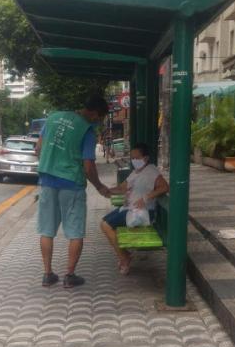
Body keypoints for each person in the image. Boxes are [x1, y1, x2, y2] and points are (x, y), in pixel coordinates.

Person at [36, 94, 111, 288]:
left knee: (46, 230)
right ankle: (69, 276)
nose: (98, 121)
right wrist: (99, 186)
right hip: (72, 184)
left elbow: (38, 148)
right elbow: (88, 167)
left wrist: (51, 160)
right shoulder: (87, 130)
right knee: (75, 231)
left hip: (47, 181)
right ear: (94, 113)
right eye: (100, 117)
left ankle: (47, 274)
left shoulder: (52, 118)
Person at [101, 143, 169, 275]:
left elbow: (165, 187)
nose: (134, 161)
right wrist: (108, 190)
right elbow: (122, 188)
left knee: (105, 225)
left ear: (146, 158)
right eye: (132, 158)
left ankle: (124, 258)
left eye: (137, 158)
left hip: (141, 212)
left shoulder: (151, 171)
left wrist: (146, 197)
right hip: (129, 208)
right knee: (104, 224)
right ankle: (125, 254)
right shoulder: (135, 172)